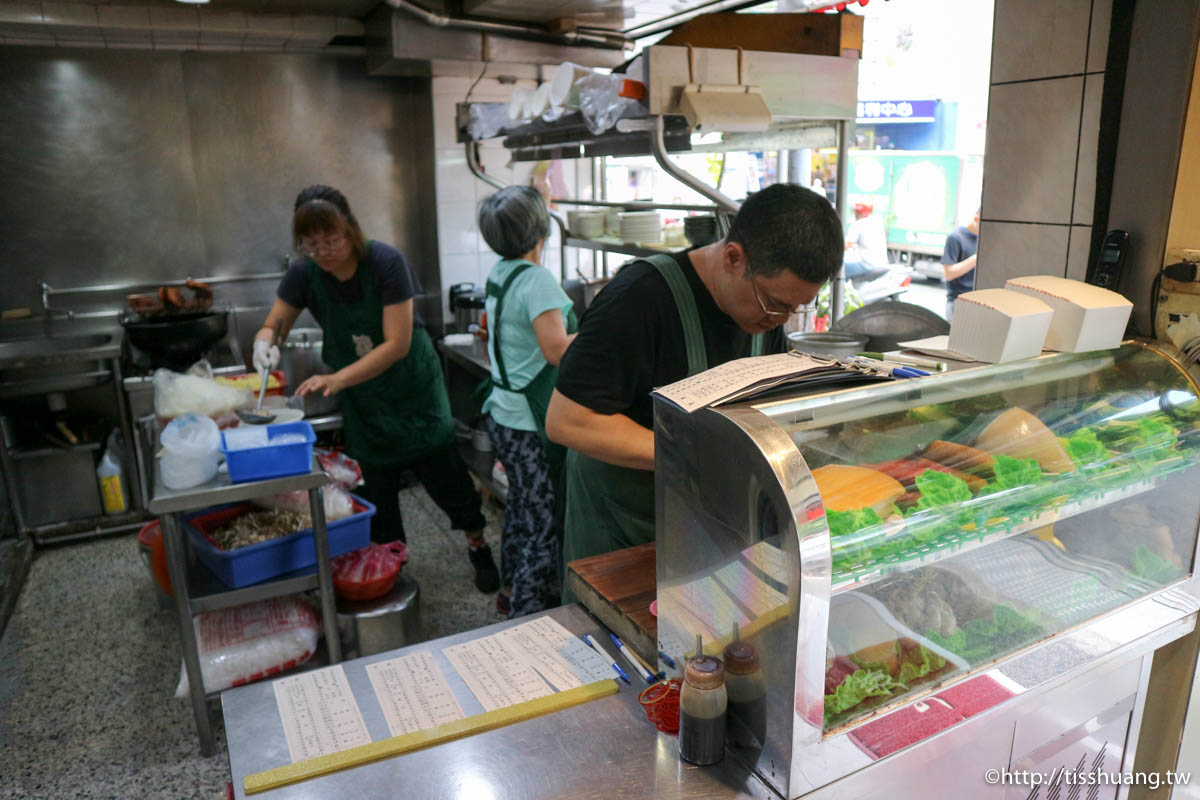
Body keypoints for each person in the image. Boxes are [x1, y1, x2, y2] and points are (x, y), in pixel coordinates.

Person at [546, 183, 844, 593]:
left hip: (706, 526)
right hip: (621, 523)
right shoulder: (638, 300)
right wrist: (695, 454)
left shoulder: (764, 317)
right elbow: (567, 421)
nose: (781, 319)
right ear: (734, 257)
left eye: (795, 308)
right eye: (775, 302)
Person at [254, 185, 499, 592]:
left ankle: (477, 545)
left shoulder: (386, 262)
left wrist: (337, 379)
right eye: (312, 245)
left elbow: (396, 344)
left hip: (412, 390)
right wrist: (265, 343)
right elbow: (275, 322)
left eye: (331, 240)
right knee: (378, 490)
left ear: (350, 229)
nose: (324, 251)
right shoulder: (303, 273)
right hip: (366, 401)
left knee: (447, 478)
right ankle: (389, 567)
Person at [477, 186, 577, 618]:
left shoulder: (502, 271)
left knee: (520, 510)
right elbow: (557, 349)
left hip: (502, 412)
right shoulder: (537, 279)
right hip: (528, 421)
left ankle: (508, 594)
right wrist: (606, 336)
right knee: (542, 523)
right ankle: (526, 616)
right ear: (541, 231)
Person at [941, 208, 980, 321]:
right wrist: (976, 258)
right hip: (958, 302)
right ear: (976, 219)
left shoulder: (984, 238)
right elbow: (949, 273)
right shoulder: (955, 237)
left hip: (976, 301)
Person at [843, 202, 889, 280]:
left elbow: (846, 246)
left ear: (858, 213)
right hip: (882, 264)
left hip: (867, 265)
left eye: (855, 212)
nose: (854, 214)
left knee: (839, 269)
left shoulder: (858, 224)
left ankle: (840, 291)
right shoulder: (877, 223)